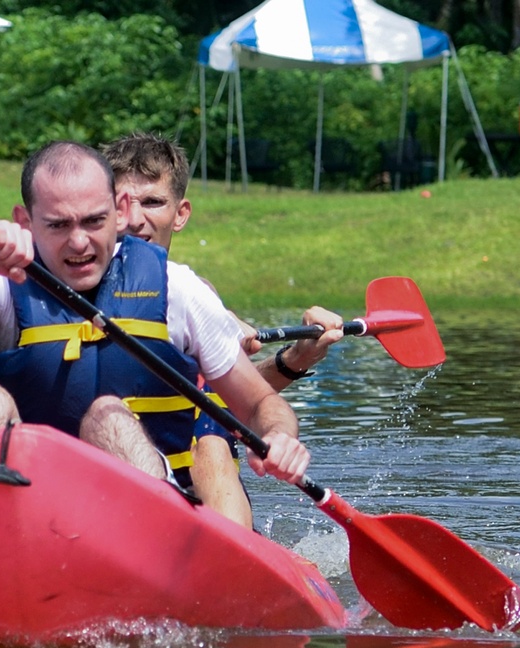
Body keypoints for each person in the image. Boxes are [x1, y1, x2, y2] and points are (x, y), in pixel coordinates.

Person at [0, 141, 311, 526]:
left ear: (119, 209)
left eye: (94, 221)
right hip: (28, 508)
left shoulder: (177, 288)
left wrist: (279, 437)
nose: (79, 242)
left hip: (145, 518)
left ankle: (159, 551)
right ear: (25, 221)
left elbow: (259, 402)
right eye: (58, 225)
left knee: (106, 415)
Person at [102, 132, 343, 528]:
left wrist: (294, 360)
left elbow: (231, 399)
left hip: (195, 476)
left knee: (213, 442)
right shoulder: (74, 279)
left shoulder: (196, 296)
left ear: (180, 214)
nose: (135, 219)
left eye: (153, 203)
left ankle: (234, 559)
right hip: (110, 471)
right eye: (122, 204)